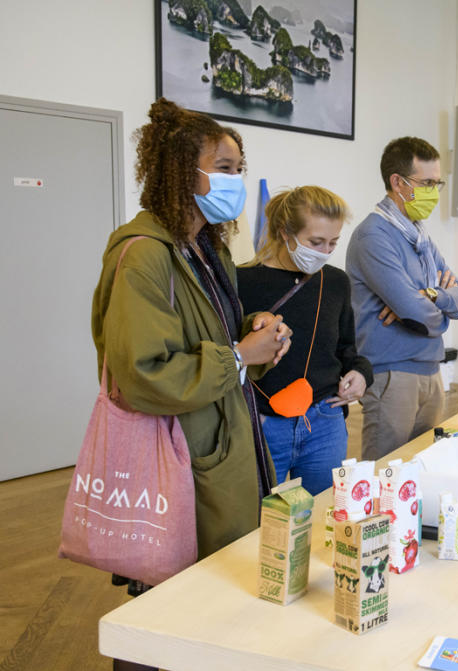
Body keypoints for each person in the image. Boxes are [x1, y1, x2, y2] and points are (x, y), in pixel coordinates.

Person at [91, 98, 291, 670]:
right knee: (164, 607)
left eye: (237, 168)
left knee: (210, 598)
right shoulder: (144, 257)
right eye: (224, 168)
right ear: (182, 171)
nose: (236, 180)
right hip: (177, 458)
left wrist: (257, 339)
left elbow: (217, 345)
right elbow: (143, 374)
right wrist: (236, 353)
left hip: (222, 445)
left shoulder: (208, 250)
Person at [237, 187, 373, 495]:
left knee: (325, 520)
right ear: (286, 233)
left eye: (333, 242)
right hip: (262, 423)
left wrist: (361, 374)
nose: (324, 251)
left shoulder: (335, 282)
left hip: (324, 421)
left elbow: (347, 350)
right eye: (315, 242)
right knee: (256, 526)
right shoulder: (240, 283)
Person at [346, 137, 458, 461]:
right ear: (398, 183)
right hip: (391, 375)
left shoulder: (420, 237)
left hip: (430, 370)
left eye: (437, 183)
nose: (433, 191)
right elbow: (418, 316)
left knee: (422, 470)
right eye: (427, 183)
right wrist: (431, 306)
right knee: (385, 474)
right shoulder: (373, 236)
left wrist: (431, 295)